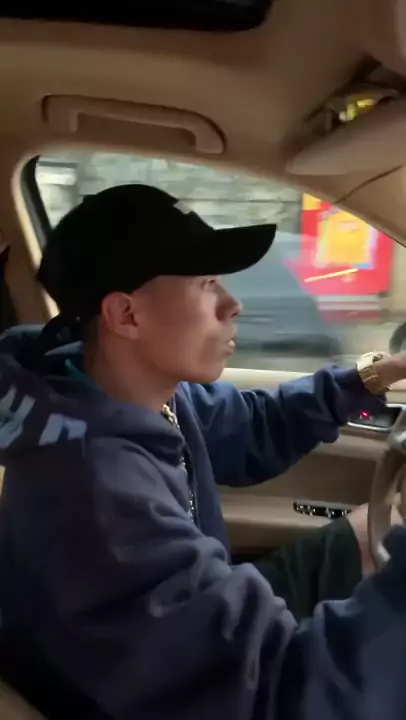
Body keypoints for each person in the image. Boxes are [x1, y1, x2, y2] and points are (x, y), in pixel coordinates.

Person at [0, 183, 406, 719]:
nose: (234, 304)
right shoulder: (94, 494)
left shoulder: (142, 393)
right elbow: (276, 698)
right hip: (144, 699)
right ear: (126, 315)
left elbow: (256, 427)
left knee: (374, 526)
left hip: (191, 637)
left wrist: (381, 373)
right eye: (208, 283)